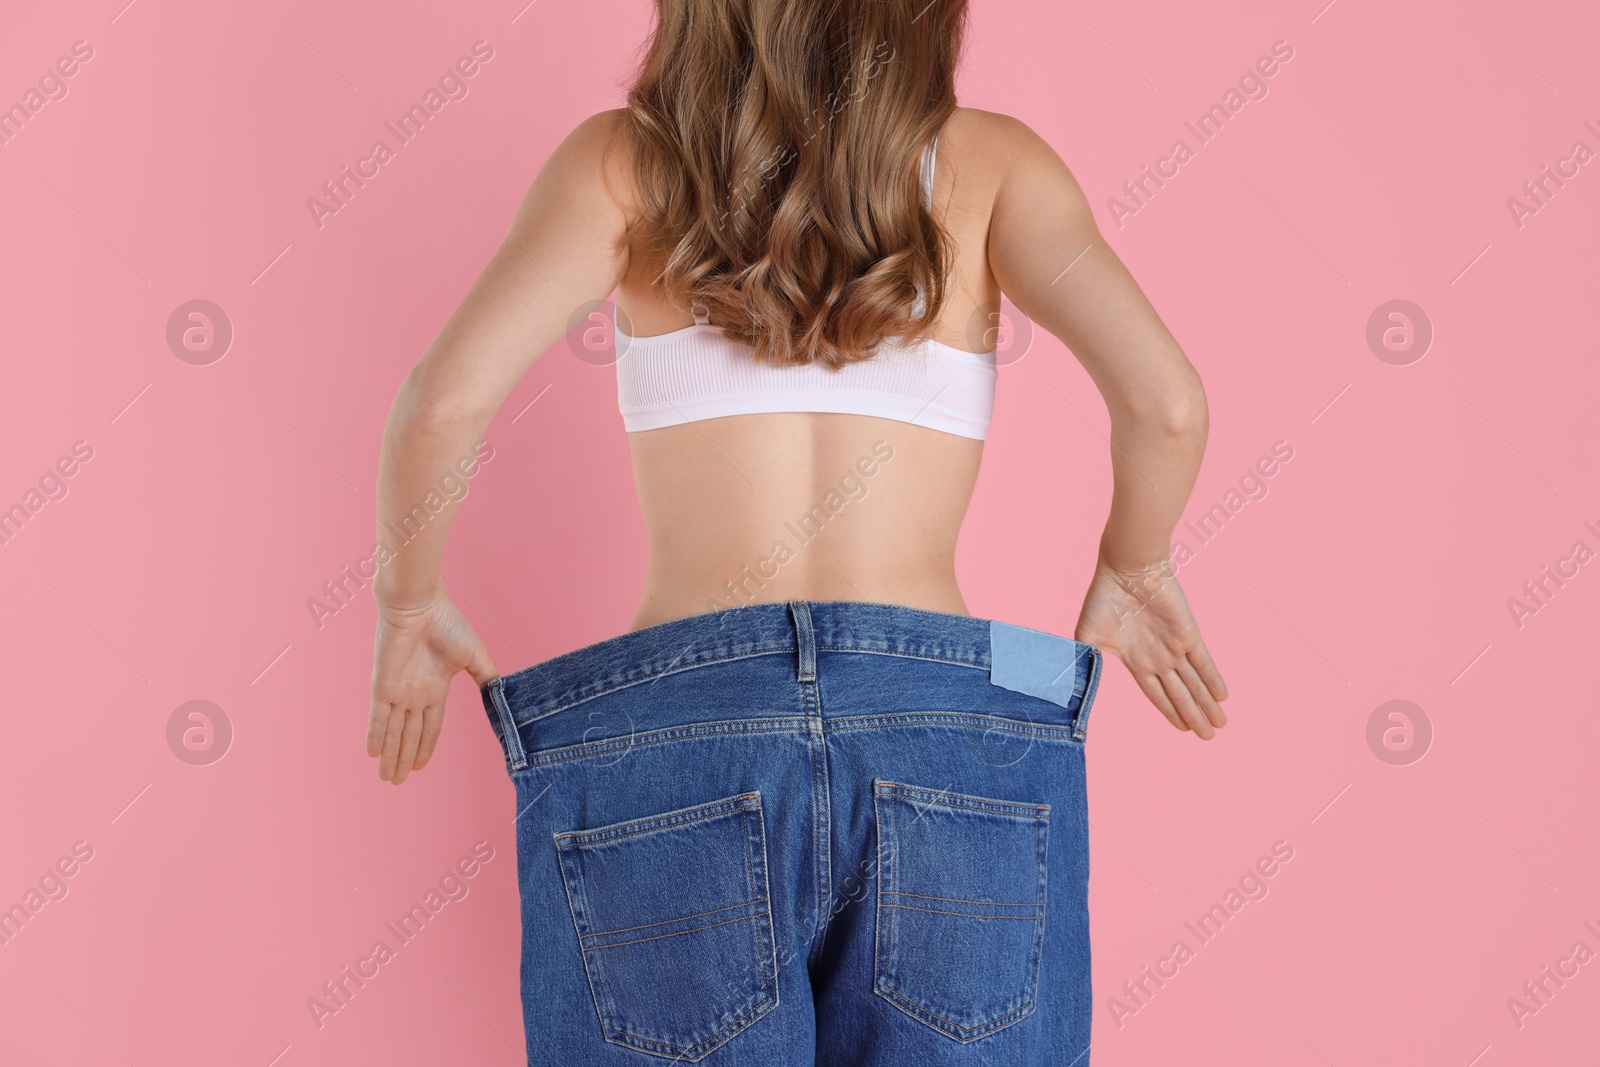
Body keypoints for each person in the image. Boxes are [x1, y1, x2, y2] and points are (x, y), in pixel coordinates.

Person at [367, 3, 1227, 1063]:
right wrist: (1134, 562)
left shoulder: (626, 167)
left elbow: (439, 403)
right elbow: (1168, 403)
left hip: (681, 734)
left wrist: (408, 602)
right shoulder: (997, 166)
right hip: (944, 740)